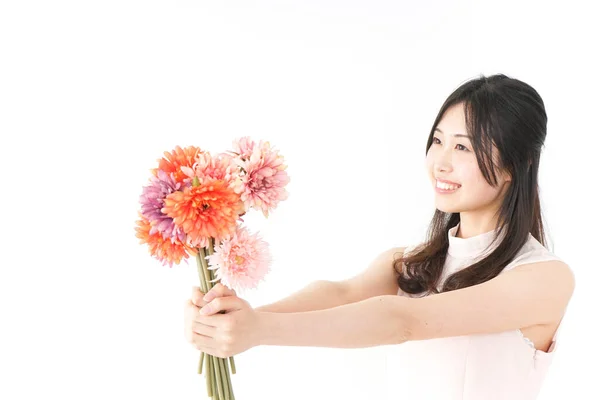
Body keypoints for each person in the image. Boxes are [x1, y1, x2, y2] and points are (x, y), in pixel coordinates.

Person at [183, 73, 575, 399]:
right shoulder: (411, 262)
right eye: (438, 141)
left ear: (514, 165)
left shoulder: (543, 277)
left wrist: (259, 330)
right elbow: (339, 293)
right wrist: (233, 323)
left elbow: (403, 321)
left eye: (463, 148)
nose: (441, 162)